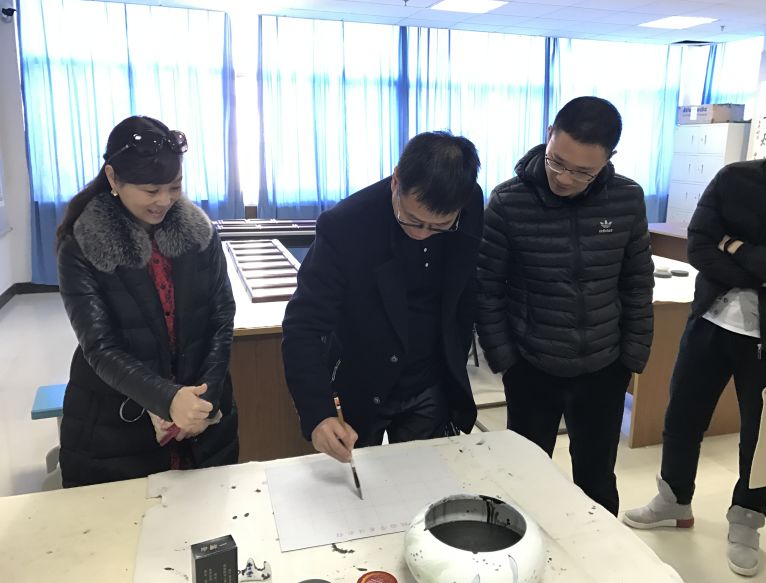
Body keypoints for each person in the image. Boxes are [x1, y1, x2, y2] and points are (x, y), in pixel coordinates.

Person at [623, 99, 766, 577]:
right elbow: (701, 243)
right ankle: (674, 501)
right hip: (709, 320)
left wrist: (738, 248)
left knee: (761, 437)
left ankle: (747, 521)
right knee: (682, 416)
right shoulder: (735, 178)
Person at [476, 96, 654, 516]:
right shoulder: (509, 201)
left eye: (582, 172)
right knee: (525, 476)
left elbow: (636, 282)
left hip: (603, 367)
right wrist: (506, 361)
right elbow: (486, 288)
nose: (564, 178)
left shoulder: (626, 198)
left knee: (597, 479)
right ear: (548, 136)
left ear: (609, 159)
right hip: (531, 367)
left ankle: (600, 551)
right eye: (557, 161)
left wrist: (631, 358)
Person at [56, 115, 239, 487]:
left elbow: (221, 315)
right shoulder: (81, 247)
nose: (164, 201)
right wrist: (168, 400)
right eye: (151, 190)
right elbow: (100, 346)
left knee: (205, 512)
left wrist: (204, 400)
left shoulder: (200, 234)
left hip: (201, 421)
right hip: (117, 426)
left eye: (174, 187)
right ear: (113, 178)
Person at [282, 131, 483, 463]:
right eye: (411, 220)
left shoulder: (469, 202)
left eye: (439, 226)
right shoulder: (346, 225)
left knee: (427, 478)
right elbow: (304, 324)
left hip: (431, 379)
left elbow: (464, 291)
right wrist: (317, 413)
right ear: (396, 181)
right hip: (362, 377)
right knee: (356, 482)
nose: (422, 234)